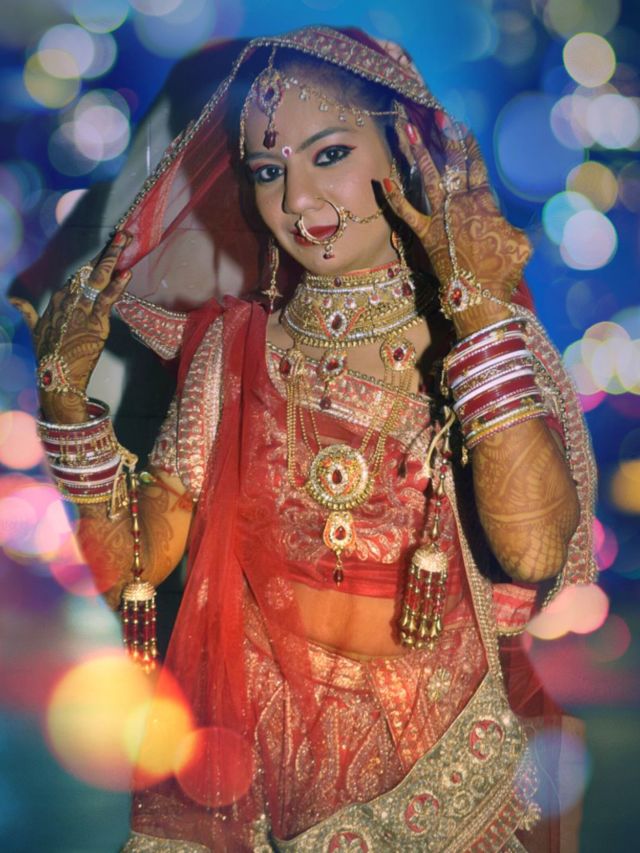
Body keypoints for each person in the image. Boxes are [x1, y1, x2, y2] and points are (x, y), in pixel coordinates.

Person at [22, 26, 596, 852]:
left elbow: (534, 551)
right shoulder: (233, 350)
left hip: (445, 774)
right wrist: (65, 404)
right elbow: (135, 572)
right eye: (268, 170)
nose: (297, 200)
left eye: (329, 154)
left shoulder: (479, 339)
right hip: (261, 774)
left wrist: (475, 315)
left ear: (404, 148)